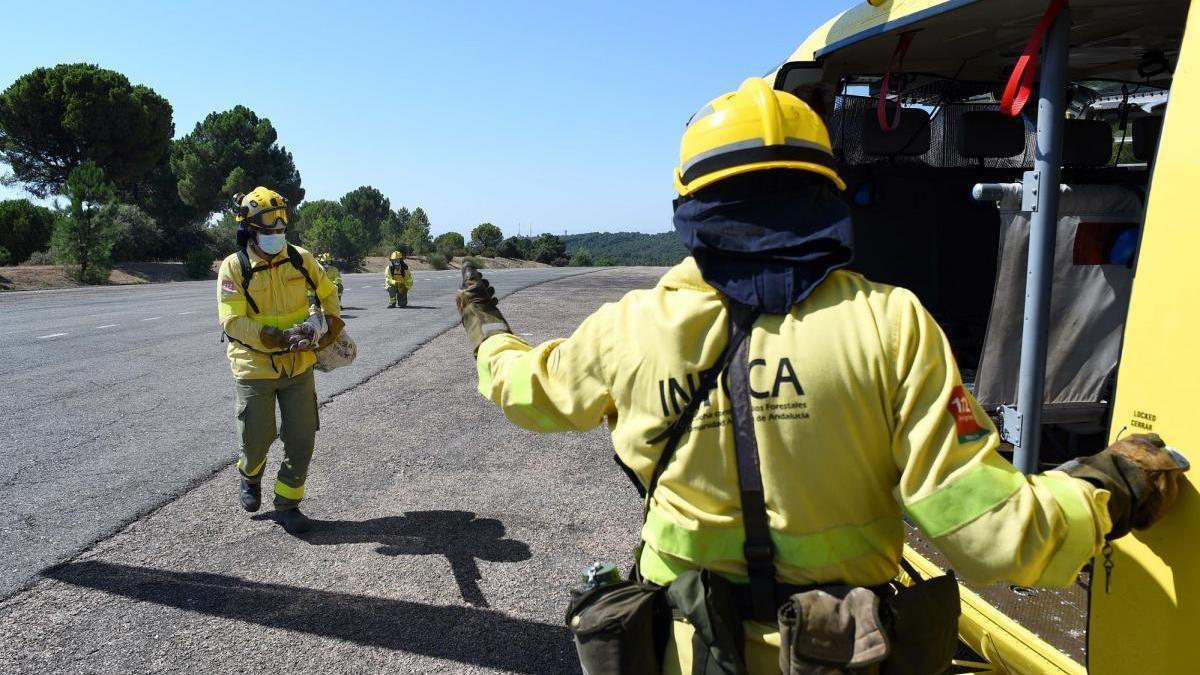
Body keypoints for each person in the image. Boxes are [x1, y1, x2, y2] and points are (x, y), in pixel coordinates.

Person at [455, 79, 1185, 673]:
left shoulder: (628, 329)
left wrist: (487, 329)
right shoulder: (890, 323)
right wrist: (1114, 483)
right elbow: (996, 536)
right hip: (848, 654)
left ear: (690, 206)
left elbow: (525, 389)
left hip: (685, 653)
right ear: (825, 194)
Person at [217, 186, 344, 535]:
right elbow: (232, 321)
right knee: (258, 436)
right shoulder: (234, 268)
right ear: (248, 230)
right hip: (254, 366)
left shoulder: (301, 259)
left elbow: (328, 293)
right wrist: (274, 337)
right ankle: (250, 473)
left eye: (279, 230)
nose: (275, 236)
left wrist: (329, 325)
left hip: (298, 365)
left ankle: (287, 503)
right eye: (267, 231)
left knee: (302, 438)